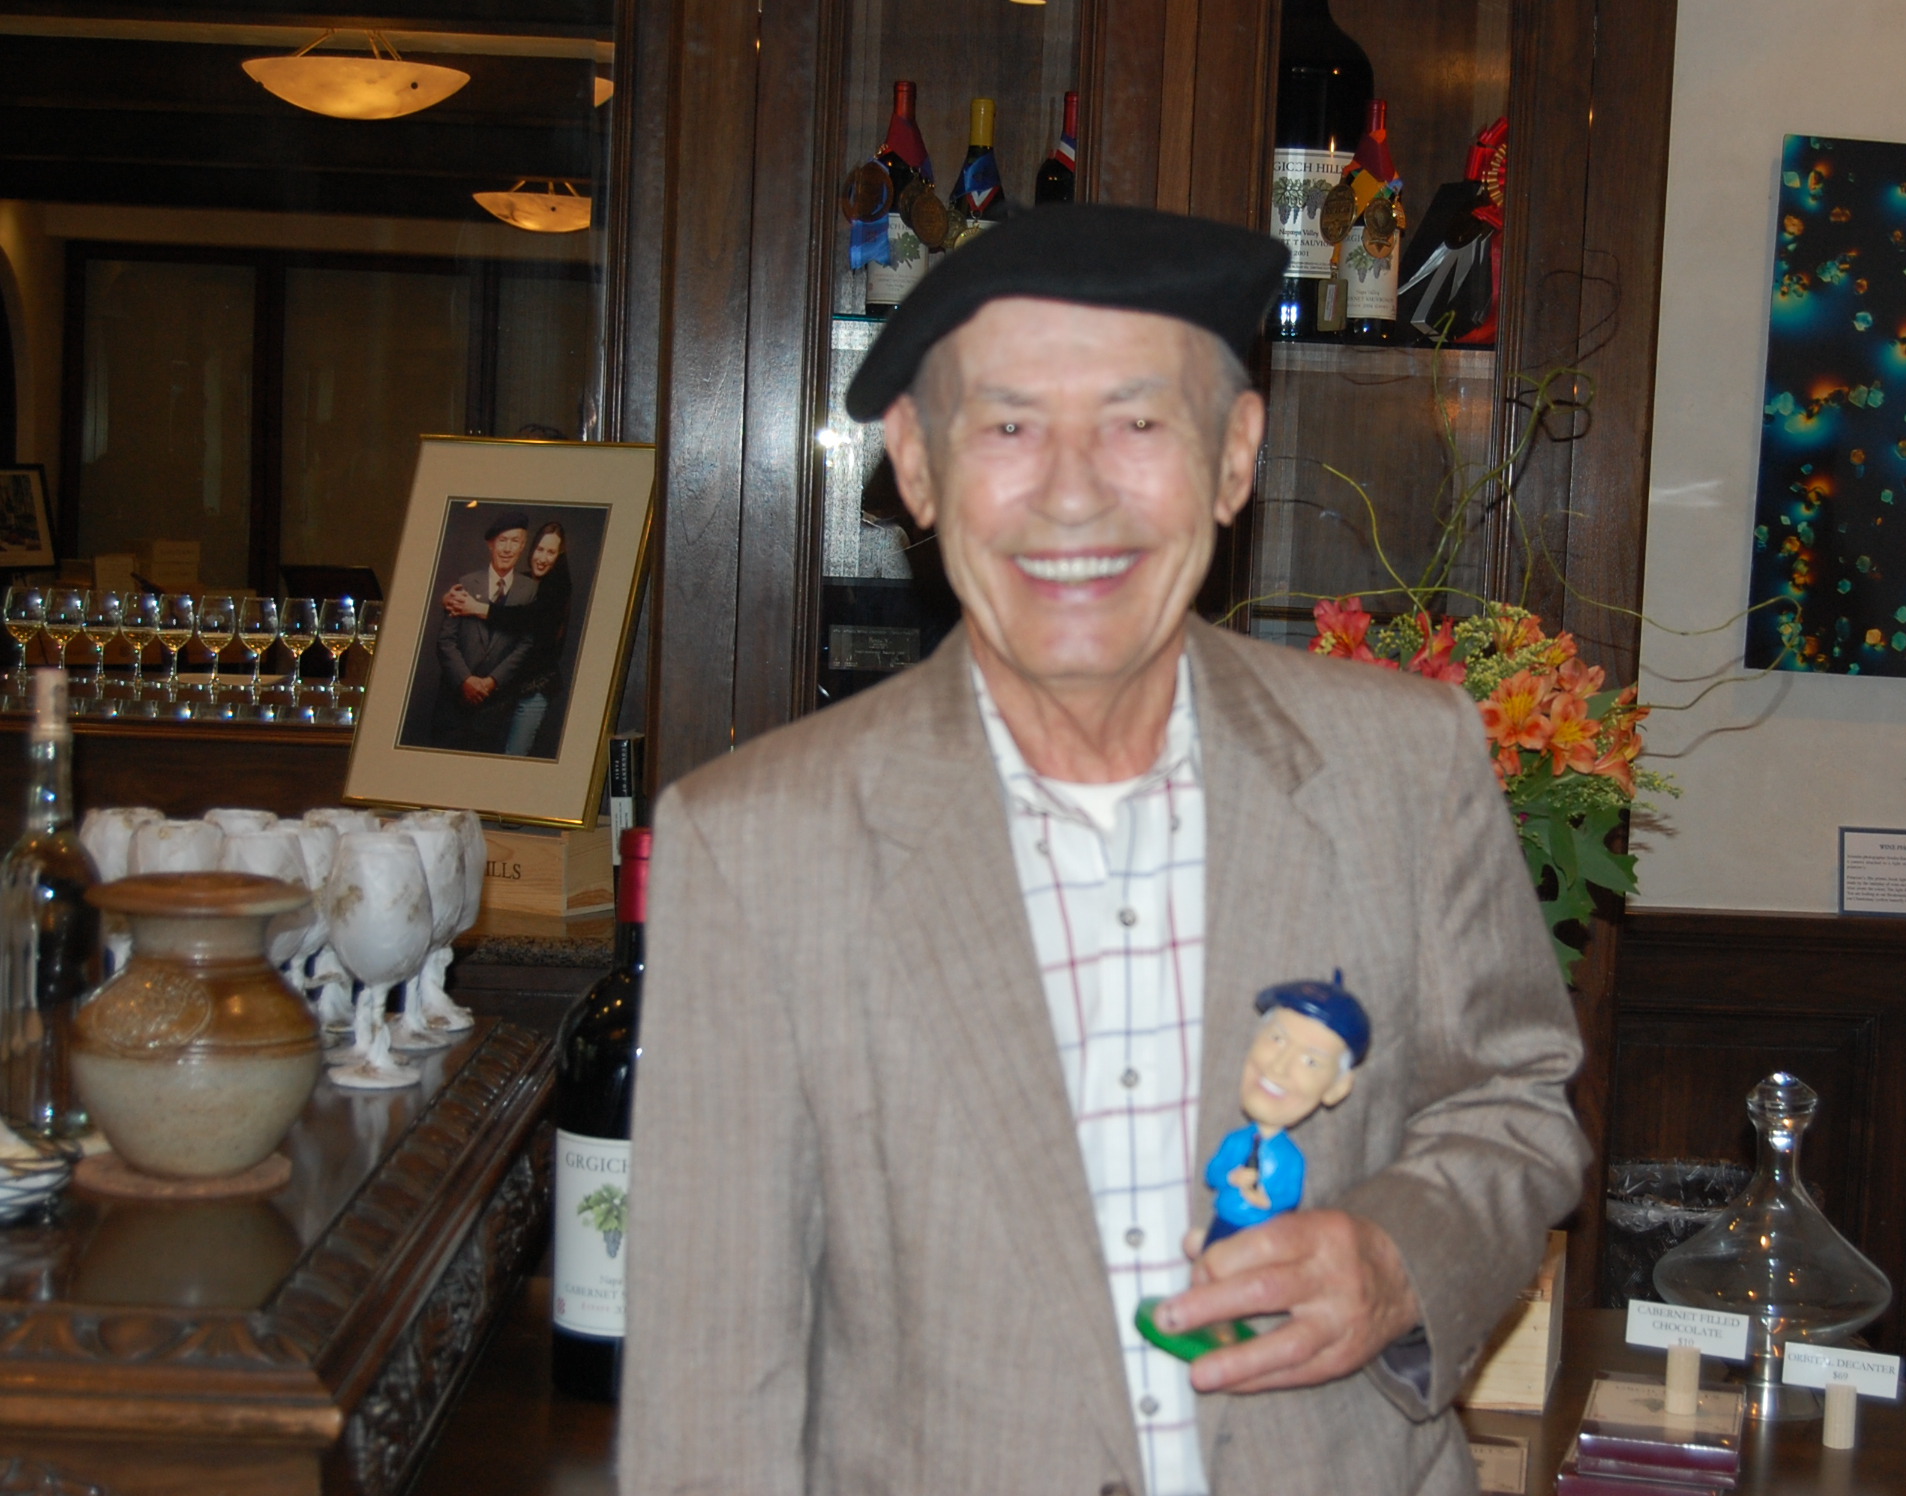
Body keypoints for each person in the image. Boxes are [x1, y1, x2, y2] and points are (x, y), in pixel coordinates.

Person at [623, 205, 1588, 1496]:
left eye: (1138, 424)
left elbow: (1513, 1100)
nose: (1073, 493)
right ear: (915, 465)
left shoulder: (1405, 766)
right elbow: (708, 1396)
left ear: (1233, 458)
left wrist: (1403, 1258)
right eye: (1008, 427)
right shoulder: (754, 848)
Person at [1194, 976, 1371, 1255]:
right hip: (1223, 1220)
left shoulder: (1289, 1157)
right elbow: (1214, 1172)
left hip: (1259, 1234)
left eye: (1310, 1061)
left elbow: (1287, 1197)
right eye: (1277, 1039)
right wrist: (1231, 1178)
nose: (1279, 1067)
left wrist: (1261, 1197)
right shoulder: (1237, 1141)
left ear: (1337, 1089)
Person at [442, 520, 573, 757]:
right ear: (531, 549)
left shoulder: (558, 587)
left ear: (558, 556)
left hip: (533, 688)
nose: (543, 558)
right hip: (506, 689)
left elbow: (524, 618)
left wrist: (477, 608)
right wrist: (450, 600)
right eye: (540, 549)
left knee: (514, 754)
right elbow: (499, 607)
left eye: (551, 552)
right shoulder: (525, 582)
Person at [431, 510, 540, 752]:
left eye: (515, 541)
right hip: (453, 703)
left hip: (497, 707)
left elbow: (526, 644)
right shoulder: (466, 583)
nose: (507, 549)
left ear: (523, 546)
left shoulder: (530, 590)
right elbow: (446, 641)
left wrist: (492, 682)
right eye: (502, 540)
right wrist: (466, 680)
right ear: (491, 544)